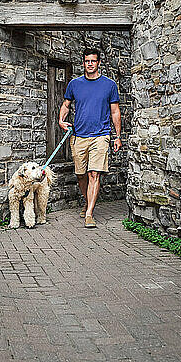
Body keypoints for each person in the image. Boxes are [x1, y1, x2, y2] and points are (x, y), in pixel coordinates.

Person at [58, 48, 122, 228]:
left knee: (94, 173)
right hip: (79, 136)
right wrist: (61, 121)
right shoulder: (74, 84)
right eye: (87, 61)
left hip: (101, 136)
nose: (90, 64)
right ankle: (88, 201)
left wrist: (117, 136)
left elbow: (115, 111)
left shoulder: (109, 85)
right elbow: (66, 105)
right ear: (83, 63)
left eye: (93, 61)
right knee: (81, 175)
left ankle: (89, 213)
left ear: (99, 63)